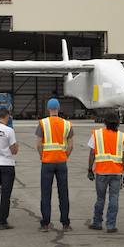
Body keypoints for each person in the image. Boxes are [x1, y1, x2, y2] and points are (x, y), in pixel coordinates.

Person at [86, 111, 124, 233]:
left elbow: (92, 153)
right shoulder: (122, 136)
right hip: (116, 173)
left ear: (104, 122)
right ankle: (111, 225)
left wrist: (90, 169)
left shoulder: (97, 134)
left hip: (101, 172)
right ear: (118, 123)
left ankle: (97, 223)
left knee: (100, 199)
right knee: (114, 198)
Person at [36, 98, 74, 232]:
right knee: (63, 193)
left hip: (47, 162)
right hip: (61, 162)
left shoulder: (43, 123)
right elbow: (71, 145)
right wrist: (65, 156)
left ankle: (45, 224)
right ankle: (65, 223)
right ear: (58, 109)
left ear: (48, 109)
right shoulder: (67, 124)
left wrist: (42, 156)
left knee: (46, 194)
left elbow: (39, 144)